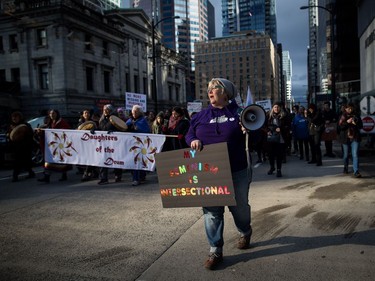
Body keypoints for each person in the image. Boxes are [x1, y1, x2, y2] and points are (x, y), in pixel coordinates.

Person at [185, 78, 252, 270]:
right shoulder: (200, 116)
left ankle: (245, 231)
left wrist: (248, 129)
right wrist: (193, 140)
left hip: (236, 170)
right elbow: (190, 133)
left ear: (226, 93)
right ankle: (215, 249)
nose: (210, 91)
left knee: (239, 208)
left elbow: (255, 131)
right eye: (208, 88)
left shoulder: (238, 113)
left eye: (214, 88)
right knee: (212, 213)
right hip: (209, 172)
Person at [38, 109, 71, 183]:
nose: (52, 115)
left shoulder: (62, 122)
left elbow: (67, 130)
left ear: (57, 114)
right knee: (48, 160)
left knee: (62, 161)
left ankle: (64, 174)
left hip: (60, 145)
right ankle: (47, 177)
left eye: (53, 113)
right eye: (50, 113)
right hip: (51, 146)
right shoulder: (48, 122)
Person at [97, 104, 123, 185]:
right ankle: (103, 178)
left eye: (107, 109)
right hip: (104, 144)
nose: (105, 110)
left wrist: (114, 132)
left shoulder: (115, 119)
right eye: (104, 109)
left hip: (114, 143)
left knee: (115, 159)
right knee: (103, 160)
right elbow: (100, 128)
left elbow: (121, 129)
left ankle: (118, 175)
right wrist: (94, 129)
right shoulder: (102, 119)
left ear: (111, 110)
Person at [7, 111, 35, 182]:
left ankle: (26, 174)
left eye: (16, 117)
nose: (14, 119)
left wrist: (26, 143)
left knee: (26, 161)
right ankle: (16, 176)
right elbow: (9, 136)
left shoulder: (25, 125)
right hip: (16, 147)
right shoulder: (11, 126)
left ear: (20, 117)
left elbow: (30, 135)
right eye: (13, 117)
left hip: (25, 147)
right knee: (17, 162)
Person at [126, 105, 150, 186]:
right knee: (133, 161)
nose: (134, 113)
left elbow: (146, 130)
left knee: (138, 161)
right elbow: (124, 128)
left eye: (136, 112)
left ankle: (136, 178)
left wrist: (137, 129)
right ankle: (140, 176)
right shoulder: (129, 120)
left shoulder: (143, 120)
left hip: (140, 144)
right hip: (131, 144)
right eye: (133, 111)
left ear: (140, 112)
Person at [338, 103, 363, 177]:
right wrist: (347, 122)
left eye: (351, 108)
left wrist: (355, 123)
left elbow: (361, 126)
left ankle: (356, 171)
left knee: (355, 155)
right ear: (345, 109)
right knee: (346, 155)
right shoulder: (342, 116)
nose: (350, 110)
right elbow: (340, 127)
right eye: (348, 108)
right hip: (345, 139)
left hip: (355, 137)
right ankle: (345, 167)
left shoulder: (356, 115)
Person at [265, 101, 289, 177]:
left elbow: (288, 126)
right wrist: (267, 131)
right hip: (271, 138)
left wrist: (281, 129)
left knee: (279, 155)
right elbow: (264, 126)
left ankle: (279, 170)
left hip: (280, 138)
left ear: (280, 108)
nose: (276, 108)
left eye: (278, 107)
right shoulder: (268, 116)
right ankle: (272, 167)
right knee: (270, 154)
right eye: (275, 107)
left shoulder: (284, 116)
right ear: (272, 108)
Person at [78, 109, 99, 181]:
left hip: (91, 143)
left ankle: (86, 173)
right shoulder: (80, 123)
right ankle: (95, 172)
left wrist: (94, 130)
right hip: (83, 143)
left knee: (90, 158)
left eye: (88, 113)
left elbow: (98, 130)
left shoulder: (94, 122)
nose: (86, 114)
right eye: (85, 113)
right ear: (83, 115)